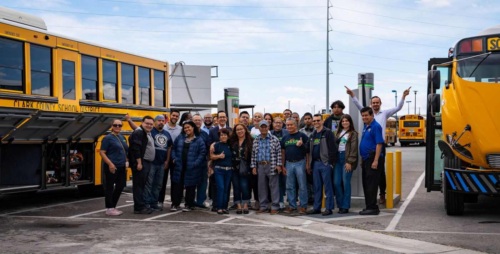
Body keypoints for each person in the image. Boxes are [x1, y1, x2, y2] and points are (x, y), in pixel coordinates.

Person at [346, 86, 410, 204]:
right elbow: (358, 106)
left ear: (380, 103)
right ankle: (371, 197)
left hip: (379, 145)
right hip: (369, 147)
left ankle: (382, 193)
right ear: (370, 104)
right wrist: (352, 95)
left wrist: (403, 96)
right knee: (369, 172)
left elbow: (398, 107)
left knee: (380, 171)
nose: (375, 104)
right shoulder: (368, 113)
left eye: (377, 102)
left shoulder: (384, 113)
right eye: (373, 103)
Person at [170, 121, 207, 212]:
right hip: (179, 166)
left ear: (193, 127)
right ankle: (175, 204)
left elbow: (202, 153)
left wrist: (195, 163)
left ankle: (189, 205)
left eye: (189, 127)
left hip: (192, 168)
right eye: (185, 128)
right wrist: (174, 158)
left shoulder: (199, 140)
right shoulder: (180, 137)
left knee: (190, 187)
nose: (187, 129)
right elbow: (173, 149)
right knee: (177, 186)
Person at [307, 114, 337, 216]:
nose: (316, 122)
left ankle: (329, 208)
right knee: (317, 187)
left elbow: (333, 149)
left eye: (318, 120)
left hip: (325, 163)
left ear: (322, 121)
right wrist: (301, 145)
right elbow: (308, 148)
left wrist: (331, 163)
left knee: (328, 187)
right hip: (315, 164)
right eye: (314, 121)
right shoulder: (313, 134)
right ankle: (317, 207)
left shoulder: (328, 133)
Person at [251, 120, 283, 215]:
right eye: (262, 127)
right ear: (259, 128)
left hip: (271, 164)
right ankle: (263, 206)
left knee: (274, 186)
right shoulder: (256, 140)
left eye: (265, 127)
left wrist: (278, 165)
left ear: (268, 127)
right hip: (260, 165)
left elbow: (279, 153)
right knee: (261, 187)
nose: (264, 128)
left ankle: (275, 206)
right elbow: (253, 154)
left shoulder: (274, 139)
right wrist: (253, 166)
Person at [143, 115, 173, 211]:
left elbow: (169, 148)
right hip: (151, 162)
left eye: (162, 121)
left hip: (161, 163)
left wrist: (167, 161)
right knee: (149, 184)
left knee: (158, 184)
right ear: (155, 122)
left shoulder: (167, 134)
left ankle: (154, 202)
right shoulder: (150, 132)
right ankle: (146, 203)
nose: (161, 122)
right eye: (159, 120)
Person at [358, 107, 385, 215]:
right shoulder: (366, 126)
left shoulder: (376, 126)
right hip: (366, 159)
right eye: (363, 115)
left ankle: (372, 207)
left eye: (366, 115)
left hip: (372, 158)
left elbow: (379, 144)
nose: (364, 117)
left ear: (372, 115)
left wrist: (376, 160)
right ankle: (369, 206)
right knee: (366, 183)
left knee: (372, 184)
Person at [100, 119, 129, 216]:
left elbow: (125, 150)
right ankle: (109, 208)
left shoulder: (122, 137)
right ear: (111, 126)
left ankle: (113, 206)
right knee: (109, 186)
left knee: (120, 186)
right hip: (112, 166)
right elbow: (102, 152)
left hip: (121, 166)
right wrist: (110, 164)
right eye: (115, 125)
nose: (117, 127)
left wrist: (127, 161)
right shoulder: (108, 138)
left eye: (120, 125)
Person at [281, 118, 309, 215]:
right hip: (288, 163)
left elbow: (308, 151)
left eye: (291, 125)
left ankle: (303, 206)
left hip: (300, 162)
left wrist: (307, 164)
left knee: (302, 185)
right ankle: (292, 206)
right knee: (289, 186)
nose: (289, 127)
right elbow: (283, 152)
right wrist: (283, 165)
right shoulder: (285, 137)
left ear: (296, 125)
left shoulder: (302, 136)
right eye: (287, 125)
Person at [128, 116, 156, 214]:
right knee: (138, 186)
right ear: (142, 123)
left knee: (142, 185)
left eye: (151, 124)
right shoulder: (139, 132)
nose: (149, 125)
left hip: (146, 163)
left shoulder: (145, 133)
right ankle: (139, 207)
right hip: (141, 163)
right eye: (147, 123)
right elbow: (136, 148)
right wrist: (139, 163)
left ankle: (142, 205)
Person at [334, 114, 358, 214]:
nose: (344, 123)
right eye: (343, 121)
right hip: (337, 159)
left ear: (350, 122)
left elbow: (353, 149)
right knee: (336, 182)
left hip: (347, 158)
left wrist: (349, 162)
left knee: (345, 182)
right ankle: (340, 204)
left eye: (346, 121)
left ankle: (345, 206)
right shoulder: (337, 132)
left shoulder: (353, 134)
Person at [208, 111, 232, 211]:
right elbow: (210, 147)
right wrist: (210, 164)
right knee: (216, 186)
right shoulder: (213, 130)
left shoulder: (231, 129)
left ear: (226, 118)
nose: (222, 119)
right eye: (220, 117)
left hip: (228, 167)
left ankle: (224, 206)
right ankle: (216, 205)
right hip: (217, 165)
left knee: (225, 188)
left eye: (224, 117)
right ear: (217, 119)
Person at [230, 123, 253, 214]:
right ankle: (238, 205)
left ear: (245, 130)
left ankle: (246, 205)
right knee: (236, 187)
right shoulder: (232, 141)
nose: (239, 131)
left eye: (241, 129)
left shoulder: (250, 140)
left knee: (244, 186)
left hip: (246, 167)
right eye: (237, 130)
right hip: (234, 167)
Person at [270, 117, 289, 210]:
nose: (278, 124)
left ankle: (281, 201)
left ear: (282, 124)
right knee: (274, 183)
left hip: (284, 161)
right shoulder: (270, 133)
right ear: (273, 124)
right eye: (276, 123)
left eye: (280, 123)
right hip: (272, 162)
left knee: (283, 182)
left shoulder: (286, 133)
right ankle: (274, 201)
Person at [193, 114, 211, 208]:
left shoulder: (204, 134)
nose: (197, 122)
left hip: (203, 162)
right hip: (191, 162)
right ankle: (190, 201)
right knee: (191, 183)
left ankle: (200, 201)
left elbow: (208, 148)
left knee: (203, 182)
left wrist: (209, 162)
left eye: (199, 120)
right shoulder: (187, 132)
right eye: (195, 120)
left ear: (202, 121)